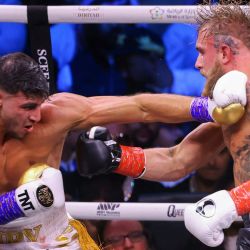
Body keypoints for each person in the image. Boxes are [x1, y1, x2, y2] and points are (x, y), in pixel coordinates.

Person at [0, 50, 243, 249]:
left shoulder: (53, 115)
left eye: (38, 105)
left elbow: (140, 107)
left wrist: (209, 110)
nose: (36, 115)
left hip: (55, 239)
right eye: (27, 106)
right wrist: (13, 204)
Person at [76, 2, 250, 249]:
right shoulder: (232, 105)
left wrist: (231, 203)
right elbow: (177, 160)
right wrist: (115, 157)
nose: (197, 64)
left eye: (202, 52)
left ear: (224, 52)